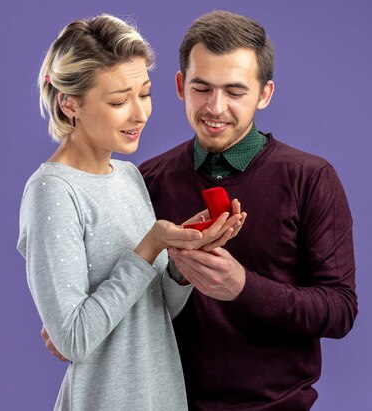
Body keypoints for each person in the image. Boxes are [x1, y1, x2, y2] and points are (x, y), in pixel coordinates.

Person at [17, 14, 245, 410]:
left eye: (145, 93)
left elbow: (153, 314)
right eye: (120, 101)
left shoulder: (128, 177)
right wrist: (148, 246)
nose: (140, 113)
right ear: (70, 104)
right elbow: (73, 340)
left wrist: (180, 257)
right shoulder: (52, 192)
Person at [137, 11, 358, 410]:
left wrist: (243, 287)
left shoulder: (311, 179)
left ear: (265, 94)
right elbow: (131, 296)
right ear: (179, 85)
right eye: (201, 88)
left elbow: (339, 310)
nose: (215, 107)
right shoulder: (147, 180)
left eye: (235, 92)